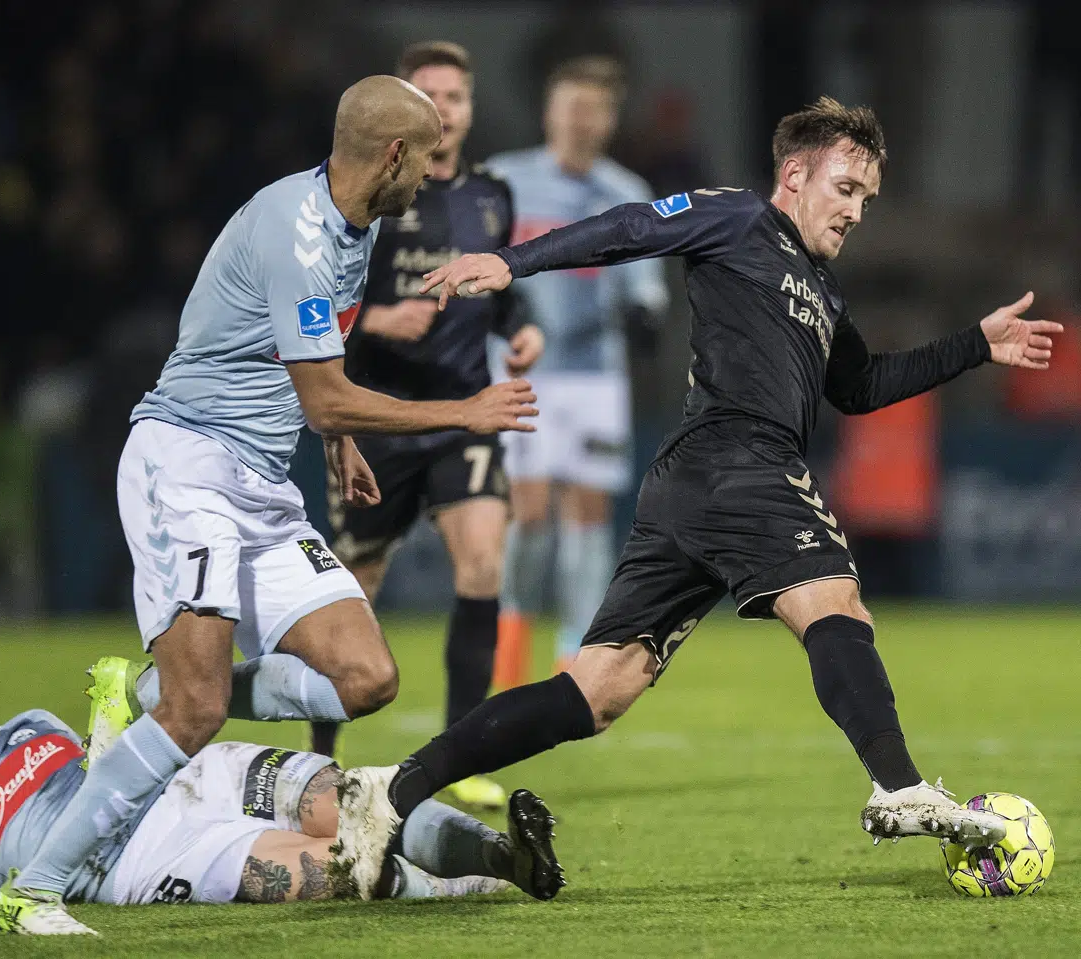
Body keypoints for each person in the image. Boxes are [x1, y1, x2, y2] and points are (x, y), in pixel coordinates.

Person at [328, 97, 1065, 896]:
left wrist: (976, 345)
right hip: (737, 458)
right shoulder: (739, 220)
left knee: (598, 687)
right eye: (846, 188)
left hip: (692, 488)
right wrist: (516, 262)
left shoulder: (821, 290)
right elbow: (633, 227)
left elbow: (860, 385)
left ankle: (391, 787)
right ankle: (898, 781)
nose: (856, 211)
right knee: (837, 605)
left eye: (867, 199)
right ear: (794, 174)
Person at [0, 75, 539, 933]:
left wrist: (335, 437)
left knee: (365, 680)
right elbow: (325, 392)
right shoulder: (296, 232)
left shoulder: (351, 223)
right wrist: (463, 411)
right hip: (188, 467)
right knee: (199, 709)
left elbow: (300, 365)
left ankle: (141, 688)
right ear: (394, 154)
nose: (435, 175)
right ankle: (33, 887)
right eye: (428, 157)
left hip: (259, 481)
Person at [0, 646, 563, 925]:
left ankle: (508, 857)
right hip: (150, 856)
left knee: (355, 794)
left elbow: (119, 742)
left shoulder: (32, 728)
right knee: (324, 864)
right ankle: (485, 875)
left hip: (185, 779)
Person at [314, 41, 546, 812]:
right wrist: (380, 319)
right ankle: (319, 758)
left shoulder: (492, 196)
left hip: (466, 414)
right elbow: (323, 309)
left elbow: (504, 292)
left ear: (471, 107)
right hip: (376, 419)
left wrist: (522, 329)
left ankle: (460, 751)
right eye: (430, 94)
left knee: (482, 562)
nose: (445, 108)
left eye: (456, 95)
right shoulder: (372, 196)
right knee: (353, 594)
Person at [486, 56, 670, 680]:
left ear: (610, 120)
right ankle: (508, 648)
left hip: (594, 374)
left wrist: (648, 311)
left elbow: (644, 280)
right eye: (572, 107)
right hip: (522, 372)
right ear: (550, 113)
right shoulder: (506, 182)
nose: (581, 122)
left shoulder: (626, 192)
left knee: (588, 512)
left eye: (594, 110)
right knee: (529, 511)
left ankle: (575, 659)